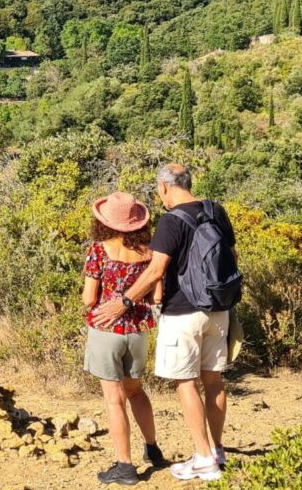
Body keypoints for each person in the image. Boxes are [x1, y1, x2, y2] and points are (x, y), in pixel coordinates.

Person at [92, 164, 238, 483]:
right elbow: (232, 256)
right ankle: (217, 451)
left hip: (183, 312)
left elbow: (155, 271)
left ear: (163, 187)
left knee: (185, 382)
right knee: (213, 382)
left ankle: (202, 459)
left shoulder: (171, 220)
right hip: (219, 308)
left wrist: (124, 301)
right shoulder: (216, 210)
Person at [82, 191, 166, 485]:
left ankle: (125, 466)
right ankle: (153, 449)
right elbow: (156, 295)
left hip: (106, 330)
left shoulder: (99, 250)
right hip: (137, 331)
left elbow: (89, 298)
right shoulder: (149, 253)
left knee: (113, 400)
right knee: (136, 392)